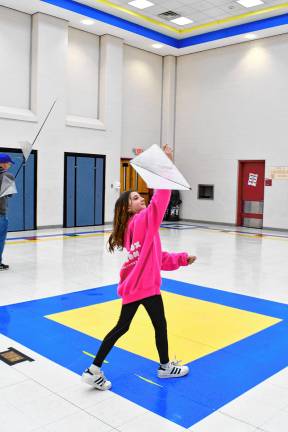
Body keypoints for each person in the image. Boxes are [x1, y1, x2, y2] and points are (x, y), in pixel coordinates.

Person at [82, 145, 197, 390]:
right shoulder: (143, 220)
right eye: (135, 197)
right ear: (127, 208)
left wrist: (180, 258)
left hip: (137, 286)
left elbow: (156, 258)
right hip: (145, 287)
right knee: (157, 326)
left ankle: (94, 369)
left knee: (123, 327)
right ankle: (165, 367)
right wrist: (164, 164)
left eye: (140, 195)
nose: (141, 198)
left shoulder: (135, 227)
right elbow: (162, 199)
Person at [0, 154, 15, 271]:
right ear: (3, 163)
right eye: (9, 163)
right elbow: (10, 194)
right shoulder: (7, 176)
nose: (9, 165)